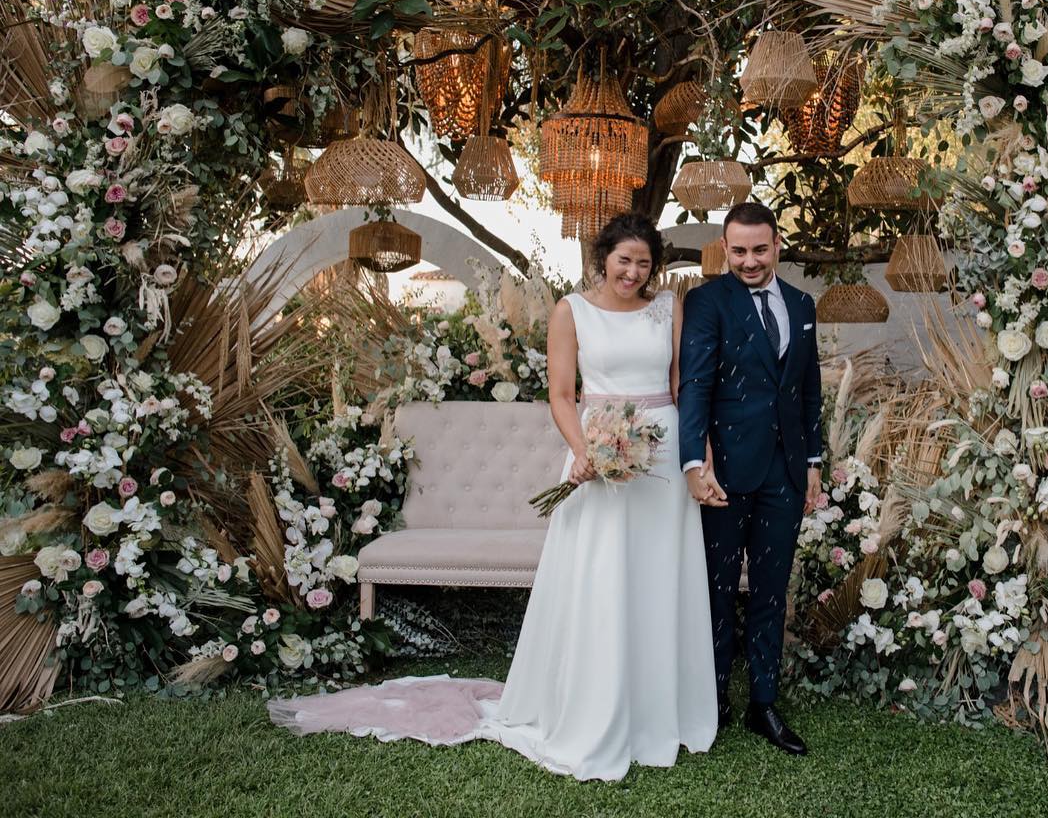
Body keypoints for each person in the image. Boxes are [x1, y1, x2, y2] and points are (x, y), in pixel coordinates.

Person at [269, 212, 717, 782]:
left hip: (661, 450)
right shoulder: (570, 311)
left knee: (659, 576)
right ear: (602, 258)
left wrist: (697, 457)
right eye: (623, 260)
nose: (633, 272)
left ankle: (661, 711)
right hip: (597, 451)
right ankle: (597, 704)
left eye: (644, 263)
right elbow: (560, 395)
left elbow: (684, 387)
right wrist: (584, 452)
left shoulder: (666, 309)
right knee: (603, 579)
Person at [678, 201, 823, 756]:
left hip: (783, 476)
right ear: (725, 246)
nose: (748, 260)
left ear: (777, 245)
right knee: (715, 590)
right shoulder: (707, 301)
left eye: (759, 249)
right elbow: (694, 385)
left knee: (770, 592)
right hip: (724, 474)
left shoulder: (802, 305)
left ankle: (764, 703)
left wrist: (812, 464)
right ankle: (712, 701)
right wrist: (695, 463)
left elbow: (809, 391)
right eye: (738, 250)